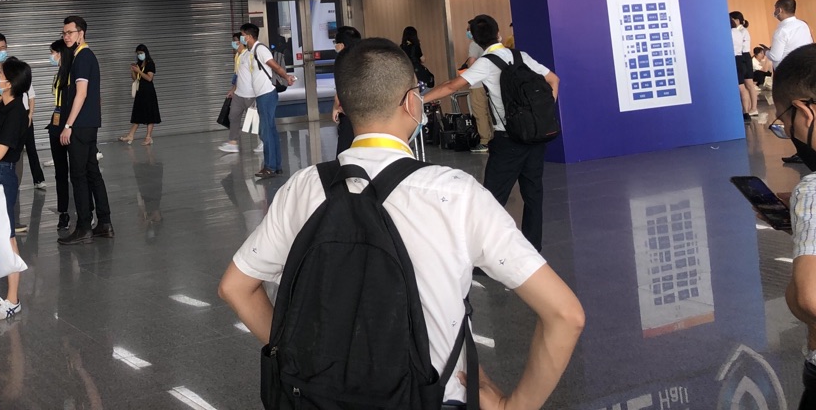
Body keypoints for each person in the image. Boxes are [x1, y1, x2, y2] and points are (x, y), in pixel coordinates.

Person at [218, 38, 585, 409]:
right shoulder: (456, 193)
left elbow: (236, 287)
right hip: (433, 397)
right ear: (412, 103)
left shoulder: (302, 187)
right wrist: (512, 406)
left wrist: (297, 356)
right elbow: (565, 315)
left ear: (341, 105)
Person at [427, 14, 559, 251]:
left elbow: (451, 86)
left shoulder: (486, 63)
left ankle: (485, 254)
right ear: (499, 34)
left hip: (508, 139)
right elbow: (553, 80)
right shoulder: (521, 56)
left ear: (476, 41)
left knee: (492, 199)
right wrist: (541, 117)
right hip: (535, 137)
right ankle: (532, 250)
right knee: (533, 194)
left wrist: (419, 99)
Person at [771, 44, 816, 408]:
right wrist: (809, 229)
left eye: (784, 122)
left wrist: (795, 293)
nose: (788, 131)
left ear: (806, 112)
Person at [58, 15, 113, 245]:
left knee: (78, 175)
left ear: (81, 33)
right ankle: (104, 223)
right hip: (89, 124)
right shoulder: (85, 56)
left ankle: (83, 227)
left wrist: (68, 125)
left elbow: (81, 94)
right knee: (92, 172)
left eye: (70, 33)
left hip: (79, 126)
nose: (66, 37)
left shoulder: (82, 57)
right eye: (64, 33)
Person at [0, 56, 32, 320]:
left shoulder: (16, 112)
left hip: (3, 174)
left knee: (7, 236)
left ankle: (13, 299)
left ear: (10, 82)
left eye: (0, 73)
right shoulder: (0, 106)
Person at [240, 23, 296, 180]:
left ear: (249, 36)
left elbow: (276, 67)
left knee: (266, 132)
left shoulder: (260, 49)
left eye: (243, 35)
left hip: (266, 94)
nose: (241, 38)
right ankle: (276, 166)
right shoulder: (252, 51)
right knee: (270, 131)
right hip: (261, 95)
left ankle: (269, 167)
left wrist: (287, 77)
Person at [769, 0, 814, 165]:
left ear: (779, 9)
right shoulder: (803, 25)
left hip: (788, 76)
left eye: (775, 8)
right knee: (807, 113)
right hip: (806, 72)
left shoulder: (781, 30)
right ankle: (812, 150)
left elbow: (775, 56)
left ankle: (802, 152)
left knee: (791, 116)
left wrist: (766, 52)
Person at [47, 39, 74, 231]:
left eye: (53, 53)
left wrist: (69, 125)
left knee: (79, 172)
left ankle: (86, 211)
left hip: (70, 127)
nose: (51, 56)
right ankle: (63, 212)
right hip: (56, 125)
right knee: (60, 172)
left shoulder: (73, 75)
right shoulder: (58, 75)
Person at [221, 31, 262, 156]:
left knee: (254, 120)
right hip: (239, 94)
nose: (234, 43)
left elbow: (256, 74)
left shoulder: (249, 55)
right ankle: (233, 143)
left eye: (236, 41)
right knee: (233, 116)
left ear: (242, 42)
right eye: (233, 41)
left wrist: (258, 92)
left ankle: (264, 141)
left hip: (250, 94)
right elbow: (237, 75)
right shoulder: (237, 56)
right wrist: (233, 90)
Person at [458, 27, 494, 155]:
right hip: (489, 83)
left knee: (480, 113)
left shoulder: (474, 44)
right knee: (490, 112)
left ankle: (485, 141)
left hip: (477, 84)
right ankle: (494, 139)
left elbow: (472, 63)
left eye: (468, 30)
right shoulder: (489, 44)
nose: (467, 33)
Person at [120, 45, 161, 145]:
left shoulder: (150, 64)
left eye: (141, 53)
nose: (139, 55)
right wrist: (133, 71)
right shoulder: (139, 64)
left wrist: (138, 71)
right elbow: (135, 78)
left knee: (150, 114)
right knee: (137, 113)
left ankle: (148, 137)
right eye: (138, 53)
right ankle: (130, 135)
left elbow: (149, 78)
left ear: (146, 53)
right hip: (140, 92)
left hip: (149, 92)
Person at [332, 26, 362, 155]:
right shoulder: (365, 58)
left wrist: (336, 108)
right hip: (365, 108)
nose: (335, 46)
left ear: (342, 44)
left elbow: (341, 87)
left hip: (348, 108)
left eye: (336, 43)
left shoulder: (343, 60)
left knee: (345, 147)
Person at [731, 11, 761, 120]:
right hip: (741, 56)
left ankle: (753, 108)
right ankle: (747, 109)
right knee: (744, 85)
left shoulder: (742, 31)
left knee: (748, 84)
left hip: (744, 56)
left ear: (737, 20)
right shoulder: (738, 31)